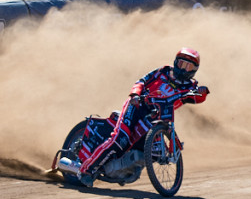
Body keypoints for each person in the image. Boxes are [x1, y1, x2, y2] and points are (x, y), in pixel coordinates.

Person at [74, 48, 210, 187]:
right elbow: (141, 81)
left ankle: (125, 168)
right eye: (182, 63)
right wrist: (135, 95)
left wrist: (203, 92)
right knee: (120, 139)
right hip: (137, 106)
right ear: (175, 62)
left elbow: (198, 97)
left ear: (194, 70)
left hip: (155, 118)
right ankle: (86, 170)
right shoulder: (162, 71)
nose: (183, 69)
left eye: (189, 66)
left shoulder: (190, 86)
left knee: (155, 153)